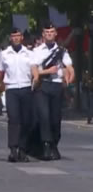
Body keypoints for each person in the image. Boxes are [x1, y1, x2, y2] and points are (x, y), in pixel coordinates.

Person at [32, 21, 74, 160]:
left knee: (55, 119)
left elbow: (69, 66)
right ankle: (45, 145)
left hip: (56, 86)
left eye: (52, 32)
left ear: (55, 34)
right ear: (43, 35)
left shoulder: (62, 51)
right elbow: (34, 69)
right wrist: (46, 71)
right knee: (44, 116)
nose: (49, 35)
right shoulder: (37, 51)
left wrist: (70, 75)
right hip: (43, 86)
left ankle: (54, 144)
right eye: (47, 33)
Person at [0, 27, 36, 162]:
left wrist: (36, 80)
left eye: (18, 36)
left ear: (21, 37)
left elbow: (34, 70)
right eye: (14, 36)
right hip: (11, 89)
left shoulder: (29, 54)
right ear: (10, 38)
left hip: (26, 88)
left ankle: (23, 150)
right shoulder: (4, 54)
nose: (16, 38)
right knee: (14, 120)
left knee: (26, 121)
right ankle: (13, 149)